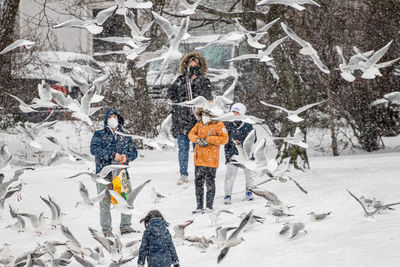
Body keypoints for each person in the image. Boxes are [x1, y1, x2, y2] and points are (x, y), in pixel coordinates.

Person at [90, 109, 138, 237]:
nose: (112, 119)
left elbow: (134, 152)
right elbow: (94, 150)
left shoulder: (125, 135)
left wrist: (125, 157)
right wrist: (112, 155)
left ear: (119, 119)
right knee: (104, 202)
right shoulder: (99, 134)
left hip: (121, 173)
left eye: (115, 117)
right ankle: (106, 230)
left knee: (128, 200)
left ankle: (126, 226)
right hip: (104, 174)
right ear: (106, 119)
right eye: (110, 116)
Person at [167, 52, 213, 185]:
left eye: (195, 65)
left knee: (199, 148)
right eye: (190, 65)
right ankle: (183, 174)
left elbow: (208, 99)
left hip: (197, 122)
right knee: (183, 149)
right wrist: (181, 100)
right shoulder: (181, 80)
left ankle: (200, 172)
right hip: (181, 121)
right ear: (186, 66)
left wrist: (196, 83)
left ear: (200, 66)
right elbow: (170, 94)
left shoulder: (204, 81)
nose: (193, 67)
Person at [188, 107, 229, 213]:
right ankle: (199, 206)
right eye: (203, 114)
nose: (204, 116)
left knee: (210, 182)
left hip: (211, 160)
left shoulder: (219, 124)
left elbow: (224, 139)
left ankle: (209, 206)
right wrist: (197, 140)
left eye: (206, 114)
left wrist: (209, 139)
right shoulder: (199, 124)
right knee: (198, 183)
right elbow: (191, 134)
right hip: (199, 159)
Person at [223, 103, 255, 205]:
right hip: (233, 154)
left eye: (237, 112)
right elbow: (225, 141)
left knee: (249, 175)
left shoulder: (248, 124)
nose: (235, 114)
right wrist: (228, 156)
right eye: (233, 112)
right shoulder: (227, 124)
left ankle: (249, 192)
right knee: (230, 176)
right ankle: (227, 195)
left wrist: (243, 142)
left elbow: (254, 139)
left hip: (246, 154)